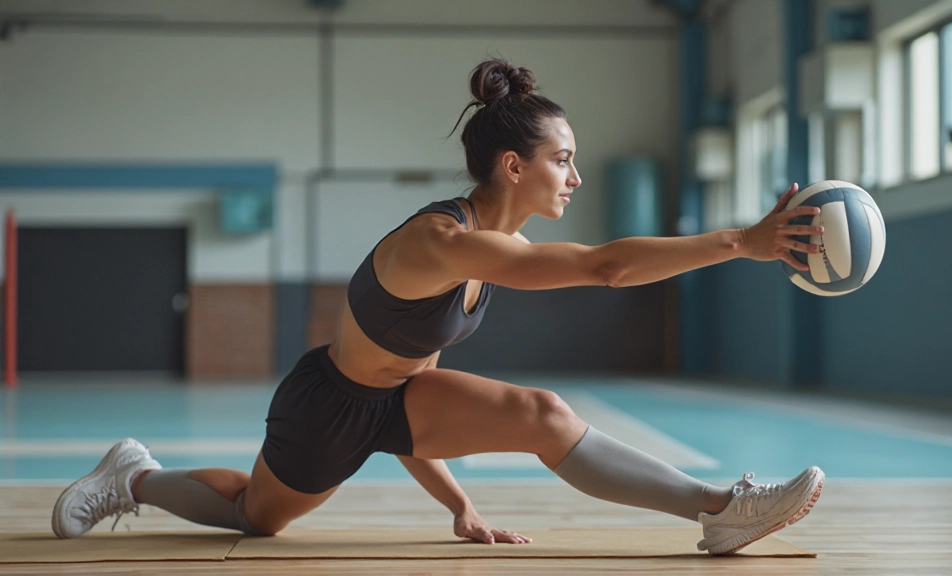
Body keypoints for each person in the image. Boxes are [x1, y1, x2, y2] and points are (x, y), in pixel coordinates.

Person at [52, 59, 826, 555]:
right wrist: (740, 240)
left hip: (393, 401)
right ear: (513, 165)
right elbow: (607, 267)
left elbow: (414, 390)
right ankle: (136, 477)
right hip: (329, 405)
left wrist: (459, 507)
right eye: (563, 160)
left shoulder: (489, 251)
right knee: (257, 518)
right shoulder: (443, 242)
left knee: (543, 414)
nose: (575, 177)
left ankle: (722, 507)